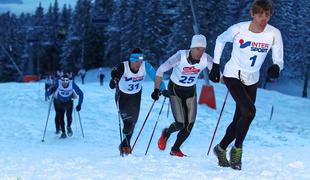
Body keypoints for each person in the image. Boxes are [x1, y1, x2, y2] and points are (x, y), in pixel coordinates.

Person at [209, 0, 283, 170]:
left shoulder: (274, 33)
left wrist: (276, 67)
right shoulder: (238, 29)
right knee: (249, 112)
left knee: (241, 118)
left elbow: (279, 59)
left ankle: (220, 148)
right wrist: (216, 65)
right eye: (260, 14)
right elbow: (220, 40)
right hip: (233, 74)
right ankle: (237, 150)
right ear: (252, 14)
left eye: (267, 15)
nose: (264, 19)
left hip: (252, 78)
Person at [153, 34, 213, 157]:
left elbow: (220, 76)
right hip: (175, 89)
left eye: (203, 49)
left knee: (189, 124)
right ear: (191, 48)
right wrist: (156, 89)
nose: (200, 52)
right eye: (197, 48)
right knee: (180, 123)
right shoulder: (180, 57)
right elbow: (160, 70)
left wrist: (233, 81)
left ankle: (175, 149)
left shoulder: (206, 59)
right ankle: (166, 134)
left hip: (190, 90)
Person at [109, 48, 166, 155]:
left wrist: (162, 89)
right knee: (127, 123)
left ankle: (125, 145)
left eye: (140, 61)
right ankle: (125, 145)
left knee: (133, 122)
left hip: (136, 95)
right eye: (136, 61)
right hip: (122, 95)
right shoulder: (123, 66)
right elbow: (115, 73)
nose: (138, 64)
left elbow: (157, 77)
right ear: (131, 60)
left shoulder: (146, 66)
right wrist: (114, 80)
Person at [46, 74, 84, 138]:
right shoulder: (58, 83)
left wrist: (79, 104)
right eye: (63, 81)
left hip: (69, 102)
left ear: (69, 81)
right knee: (61, 117)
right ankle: (63, 133)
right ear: (61, 81)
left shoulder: (72, 84)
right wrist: (51, 91)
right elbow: (48, 93)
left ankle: (68, 127)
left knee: (69, 116)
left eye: (66, 81)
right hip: (60, 102)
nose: (65, 83)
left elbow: (81, 93)